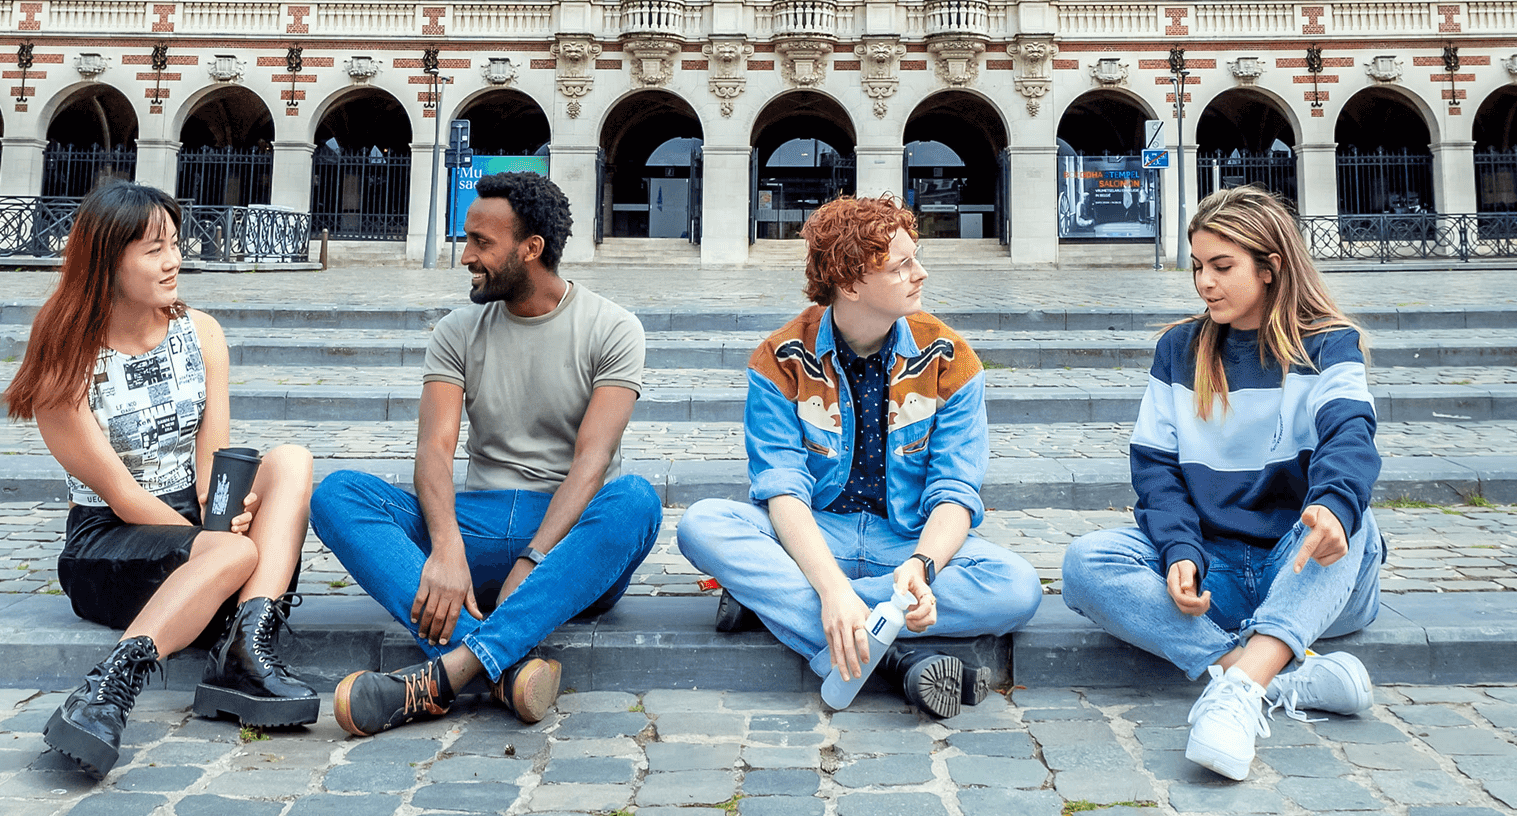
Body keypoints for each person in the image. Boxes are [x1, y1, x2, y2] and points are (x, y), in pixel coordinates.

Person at [310, 170, 659, 736]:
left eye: (481, 243)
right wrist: (446, 547)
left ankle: (445, 675)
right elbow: (434, 448)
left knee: (636, 500)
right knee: (337, 495)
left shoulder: (613, 328)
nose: (466, 255)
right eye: (466, 238)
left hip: (570, 542)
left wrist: (534, 559)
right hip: (481, 524)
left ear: (532, 249)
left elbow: (591, 463)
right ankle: (503, 666)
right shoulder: (457, 331)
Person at [1061, 185, 1384, 782]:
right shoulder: (1179, 349)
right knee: (1085, 563)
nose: (1204, 282)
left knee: (1350, 522)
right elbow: (1155, 470)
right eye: (1198, 267)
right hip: (1215, 574)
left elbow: (1350, 437)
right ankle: (1269, 674)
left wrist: (1334, 508)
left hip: (1307, 572)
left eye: (1221, 266)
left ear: (1270, 268)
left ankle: (1234, 697)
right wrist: (1180, 551)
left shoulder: (1330, 345)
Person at [676, 197, 1043, 718]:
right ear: (850, 284)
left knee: (1017, 587)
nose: (921, 273)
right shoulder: (779, 359)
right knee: (703, 523)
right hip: (817, 532)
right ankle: (893, 660)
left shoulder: (950, 360)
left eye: (915, 257)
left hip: (907, 541)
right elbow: (783, 491)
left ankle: (773, 601)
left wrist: (922, 565)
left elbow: (956, 491)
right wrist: (829, 586)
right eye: (901, 266)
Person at [11, 181, 322, 777]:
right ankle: (105, 688)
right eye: (154, 250)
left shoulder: (200, 332)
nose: (174, 261)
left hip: (197, 530)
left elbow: (213, 459)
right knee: (229, 556)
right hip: (111, 542)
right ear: (107, 261)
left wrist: (228, 514)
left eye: (175, 244)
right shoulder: (66, 360)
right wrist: (227, 549)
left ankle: (245, 647)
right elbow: (123, 497)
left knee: (291, 460)